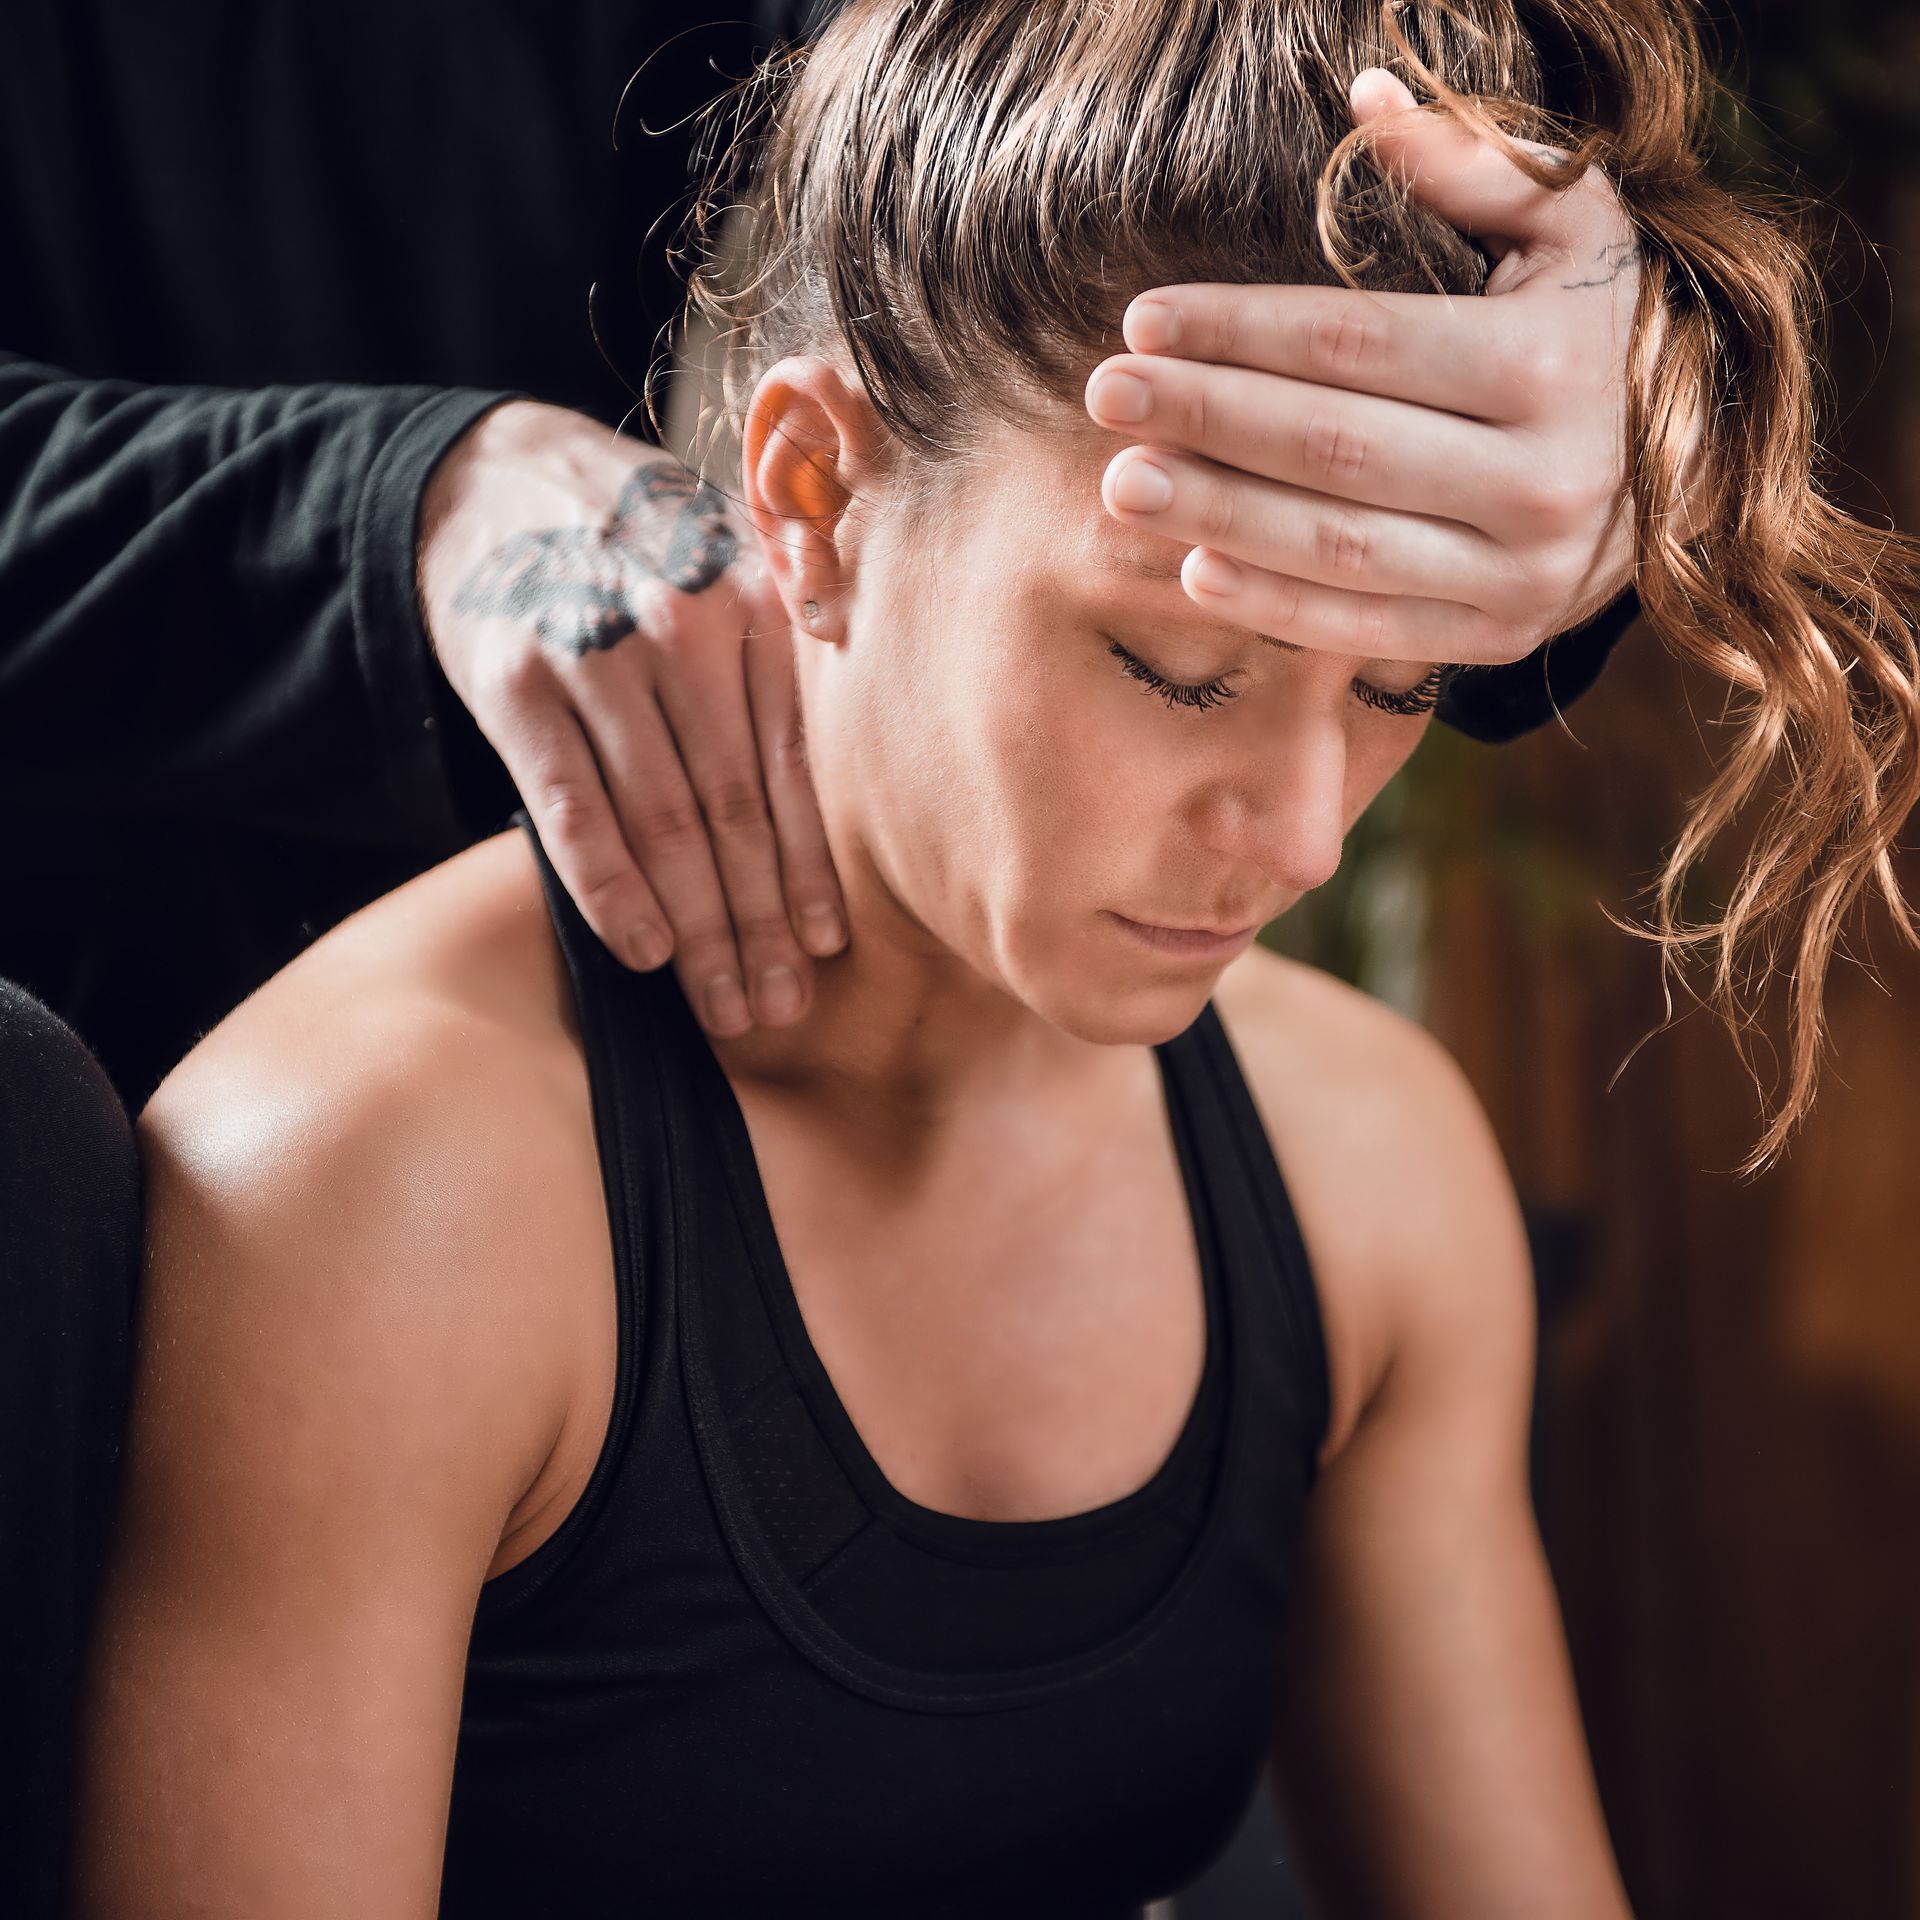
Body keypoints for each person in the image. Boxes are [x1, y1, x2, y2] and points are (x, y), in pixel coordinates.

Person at [72, 0, 1920, 1913]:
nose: (1302, 841)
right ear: (812, 497)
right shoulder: (376, 1197)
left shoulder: (1363, 1168)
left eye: (1401, 687)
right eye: (1173, 667)